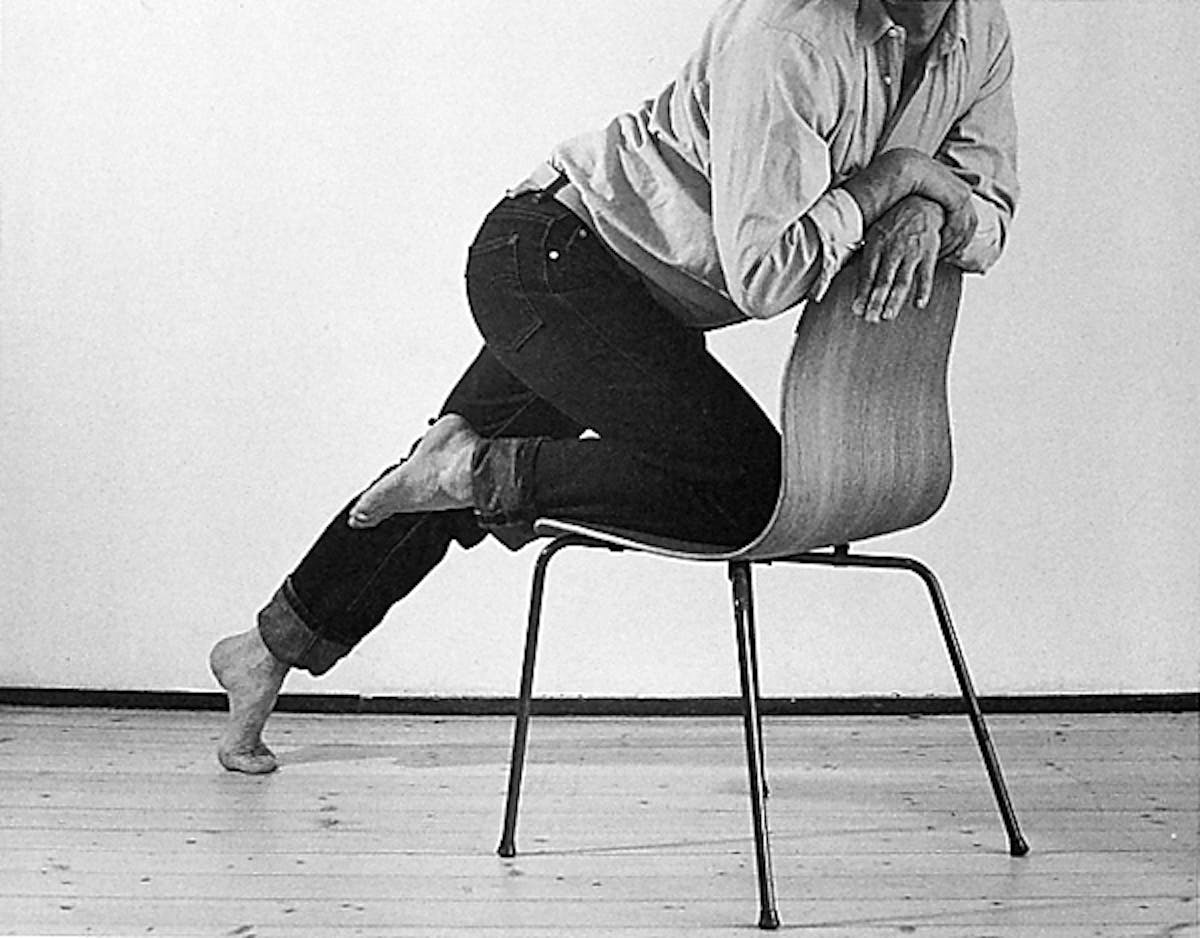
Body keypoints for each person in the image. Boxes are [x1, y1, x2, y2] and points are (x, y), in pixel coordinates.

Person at [210, 0, 1017, 773]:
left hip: (634, 294)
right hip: (554, 260)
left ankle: (263, 651)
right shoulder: (785, 36)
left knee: (424, 493)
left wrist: (930, 210)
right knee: (750, 492)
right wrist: (899, 178)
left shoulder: (979, 28)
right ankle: (470, 471)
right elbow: (769, 274)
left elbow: (990, 203)